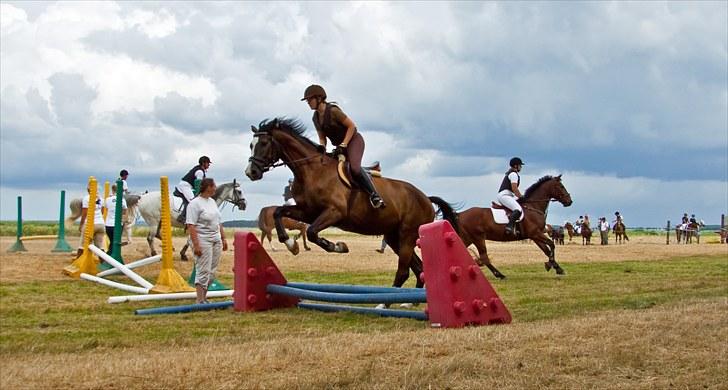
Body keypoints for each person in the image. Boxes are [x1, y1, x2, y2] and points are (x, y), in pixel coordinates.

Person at [302, 84, 385, 209]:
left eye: (310, 99)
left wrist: (344, 144)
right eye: (307, 100)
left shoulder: (333, 111)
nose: (308, 102)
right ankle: (369, 170)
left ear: (319, 98)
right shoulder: (315, 117)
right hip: (340, 147)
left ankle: (375, 195)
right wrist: (322, 147)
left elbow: (352, 126)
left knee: (355, 169)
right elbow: (322, 137)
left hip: (353, 141)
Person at [186, 178, 228, 304]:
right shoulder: (194, 204)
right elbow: (191, 225)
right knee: (203, 269)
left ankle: (205, 297)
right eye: (213, 186)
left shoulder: (212, 202)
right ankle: (199, 299)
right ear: (207, 187)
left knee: (212, 271)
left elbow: (218, 222)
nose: (215, 188)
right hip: (203, 239)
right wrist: (196, 244)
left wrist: (223, 238)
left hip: (216, 239)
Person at [175, 156, 211, 224]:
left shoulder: (200, 170)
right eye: (207, 163)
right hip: (185, 186)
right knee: (193, 202)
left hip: (189, 186)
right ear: (203, 163)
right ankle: (182, 217)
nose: (209, 165)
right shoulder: (200, 171)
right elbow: (198, 185)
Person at [76, 184, 106, 258]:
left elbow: (85, 213)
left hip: (90, 224)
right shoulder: (101, 199)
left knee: (82, 245)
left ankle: (77, 262)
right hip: (101, 224)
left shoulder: (86, 198)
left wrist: (81, 224)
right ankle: (103, 263)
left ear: (88, 190)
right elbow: (102, 211)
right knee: (100, 246)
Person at [496, 157, 524, 236]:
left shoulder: (512, 173)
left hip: (508, 195)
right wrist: (521, 197)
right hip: (505, 195)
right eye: (520, 165)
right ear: (515, 166)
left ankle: (517, 228)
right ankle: (509, 227)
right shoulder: (513, 174)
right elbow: (514, 188)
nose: (521, 167)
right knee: (518, 209)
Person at [104, 183, 127, 255]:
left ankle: (109, 256)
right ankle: (109, 257)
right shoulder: (122, 200)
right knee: (115, 243)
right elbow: (124, 212)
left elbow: (106, 208)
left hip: (108, 225)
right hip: (117, 225)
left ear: (112, 190)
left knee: (111, 242)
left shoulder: (107, 199)